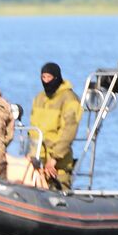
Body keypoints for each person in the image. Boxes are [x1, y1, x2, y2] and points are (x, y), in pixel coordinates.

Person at [29, 61, 83, 191]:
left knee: (59, 192)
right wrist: (31, 156)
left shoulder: (69, 99)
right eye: (43, 77)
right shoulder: (39, 98)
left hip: (58, 165)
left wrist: (54, 159)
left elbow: (68, 132)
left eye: (49, 77)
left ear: (57, 77)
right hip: (37, 161)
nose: (46, 81)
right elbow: (32, 131)